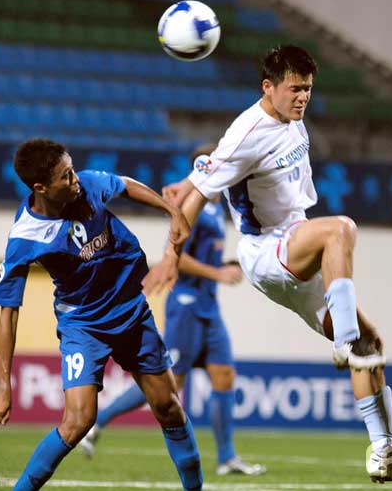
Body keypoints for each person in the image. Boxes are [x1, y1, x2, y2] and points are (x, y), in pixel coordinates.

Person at [142, 45, 392, 488]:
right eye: (295, 89)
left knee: (370, 343)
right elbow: (195, 199)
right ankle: (345, 342)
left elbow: (210, 165)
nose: (303, 97)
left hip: (295, 244)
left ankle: (385, 452)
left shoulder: (292, 122)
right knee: (340, 229)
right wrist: (170, 254)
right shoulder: (249, 130)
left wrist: (189, 175)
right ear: (268, 87)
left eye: (309, 89)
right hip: (266, 249)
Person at [0, 139, 203, 491]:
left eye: (72, 170)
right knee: (78, 420)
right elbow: (8, 312)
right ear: (41, 188)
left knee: (168, 407)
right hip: (84, 323)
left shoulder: (85, 185)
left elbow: (125, 185)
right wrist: (2, 386)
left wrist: (172, 211)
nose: (76, 180)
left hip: (131, 310)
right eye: (65, 177)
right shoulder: (24, 238)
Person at [79, 145, 266, 477]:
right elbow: (176, 256)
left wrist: (224, 266)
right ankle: (96, 423)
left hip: (209, 308)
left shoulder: (215, 206)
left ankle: (226, 458)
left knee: (224, 376)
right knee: (169, 383)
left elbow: (203, 256)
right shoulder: (190, 204)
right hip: (186, 306)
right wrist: (218, 273)